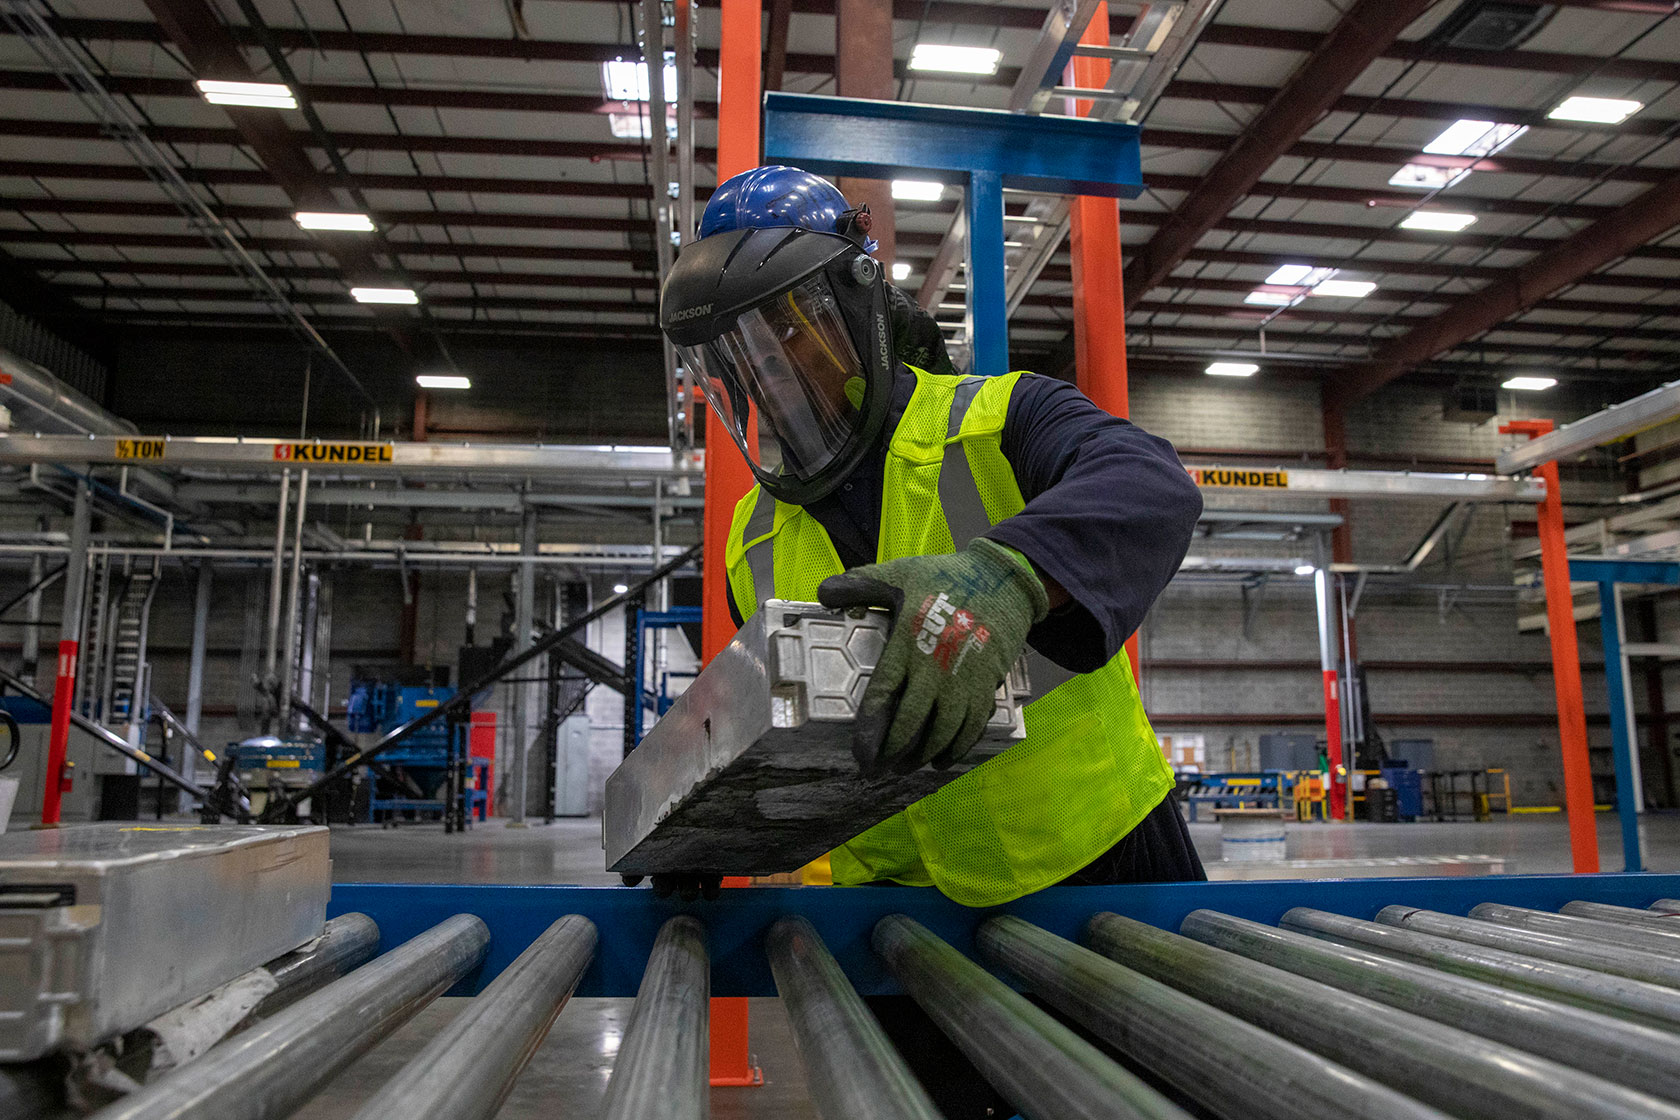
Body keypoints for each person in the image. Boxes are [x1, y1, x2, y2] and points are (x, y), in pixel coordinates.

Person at [660, 166, 1205, 1118]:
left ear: (859, 301)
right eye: (741, 350)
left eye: (790, 324)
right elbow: (786, 727)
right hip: (901, 929)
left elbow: (1152, 484)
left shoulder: (997, 421)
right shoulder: (752, 537)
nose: (774, 365)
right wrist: (711, 820)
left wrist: (1007, 577)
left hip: (1104, 875)